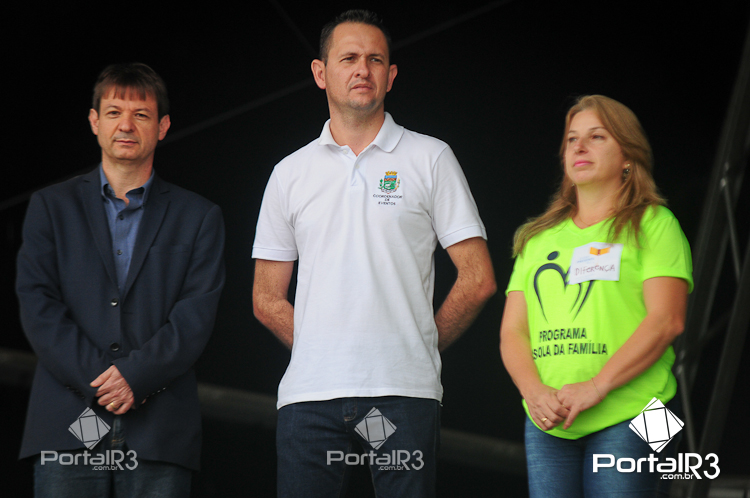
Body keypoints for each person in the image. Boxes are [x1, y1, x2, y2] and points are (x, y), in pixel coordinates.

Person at [252, 9, 496, 497]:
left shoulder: (431, 157)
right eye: (348, 58)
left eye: (375, 59)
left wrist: (418, 345)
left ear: (391, 75)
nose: (362, 69)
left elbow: (478, 279)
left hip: (401, 396)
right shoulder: (289, 173)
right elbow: (265, 298)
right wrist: (324, 349)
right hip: (310, 398)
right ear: (321, 72)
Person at [16, 62, 225, 497]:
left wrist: (137, 376)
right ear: (94, 121)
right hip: (69, 420)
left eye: (141, 114)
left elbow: (195, 316)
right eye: (114, 112)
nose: (126, 125)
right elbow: (38, 305)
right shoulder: (51, 207)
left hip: (159, 425)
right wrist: (103, 381)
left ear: (162, 127)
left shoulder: (199, 216)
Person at [500, 95, 693, 497]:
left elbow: (668, 320)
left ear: (628, 157)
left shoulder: (656, 224)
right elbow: (512, 332)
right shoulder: (537, 239)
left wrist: (597, 385)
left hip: (646, 410)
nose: (580, 147)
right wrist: (533, 393)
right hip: (550, 420)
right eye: (572, 139)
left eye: (597, 137)